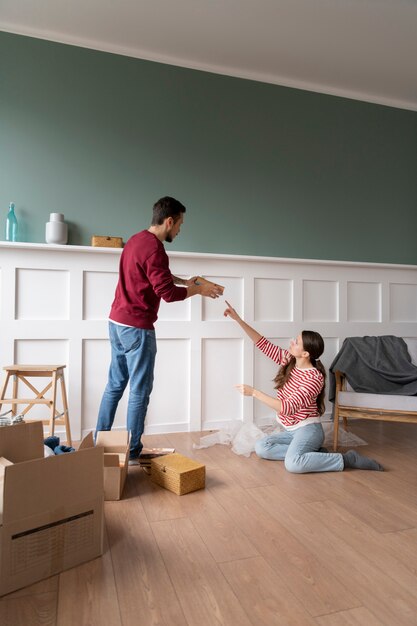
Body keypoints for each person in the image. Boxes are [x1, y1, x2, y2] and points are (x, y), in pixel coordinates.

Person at [96, 196, 223, 464]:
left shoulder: (136, 240)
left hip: (116, 323)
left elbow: (154, 274)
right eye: (180, 224)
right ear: (169, 221)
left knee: (114, 386)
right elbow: (167, 294)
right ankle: (131, 453)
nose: (179, 230)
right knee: (139, 391)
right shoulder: (155, 249)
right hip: (137, 329)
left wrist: (183, 280)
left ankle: (99, 444)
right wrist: (199, 289)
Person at [224, 301, 384, 473]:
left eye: (297, 342)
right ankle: (313, 455)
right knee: (262, 447)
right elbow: (262, 343)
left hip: (308, 431)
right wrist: (238, 319)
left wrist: (254, 392)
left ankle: (346, 459)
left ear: (305, 353)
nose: (292, 342)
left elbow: (287, 408)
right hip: (291, 430)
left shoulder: (314, 378)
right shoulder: (289, 361)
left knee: (293, 464)